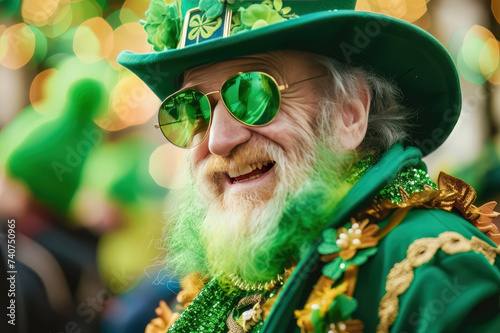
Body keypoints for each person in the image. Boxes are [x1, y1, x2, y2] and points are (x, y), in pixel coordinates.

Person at [118, 0, 500, 332]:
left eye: (252, 93)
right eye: (190, 109)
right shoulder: (231, 280)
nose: (218, 140)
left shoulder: (433, 270)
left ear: (349, 114)